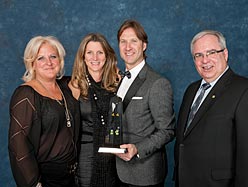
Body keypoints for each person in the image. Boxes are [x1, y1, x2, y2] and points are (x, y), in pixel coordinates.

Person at [174, 30, 248, 187]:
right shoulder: (191, 90)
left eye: (211, 52)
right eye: (198, 55)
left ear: (225, 54)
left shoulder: (247, 91)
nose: (205, 60)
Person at [8, 36, 80, 187]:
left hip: (73, 178)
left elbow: (93, 78)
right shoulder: (26, 94)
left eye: (53, 56)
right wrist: (33, 183)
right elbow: (18, 143)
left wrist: (116, 75)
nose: (49, 62)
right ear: (32, 63)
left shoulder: (66, 87)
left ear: (60, 61)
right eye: (41, 58)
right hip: (46, 180)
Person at [115, 19, 176, 187]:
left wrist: (138, 148)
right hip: (118, 171)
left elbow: (167, 130)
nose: (128, 47)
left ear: (144, 45)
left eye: (133, 41)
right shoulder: (117, 80)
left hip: (145, 174)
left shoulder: (158, 83)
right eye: (123, 42)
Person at [69, 33, 120, 187]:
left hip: (113, 158)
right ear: (83, 57)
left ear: (107, 56)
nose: (95, 57)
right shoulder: (74, 86)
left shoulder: (117, 84)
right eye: (90, 52)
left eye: (100, 52)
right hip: (86, 157)